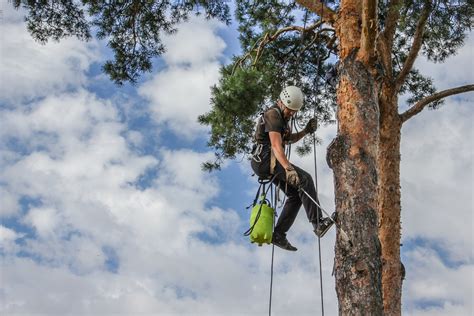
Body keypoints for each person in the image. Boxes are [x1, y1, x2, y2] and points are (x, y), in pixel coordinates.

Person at [251, 86, 334, 251]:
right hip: (266, 160)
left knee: (295, 195)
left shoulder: (282, 118)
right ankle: (318, 223)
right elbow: (276, 145)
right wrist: (288, 168)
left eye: (294, 111)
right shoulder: (273, 115)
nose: (292, 114)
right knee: (305, 179)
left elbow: (287, 140)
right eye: (290, 110)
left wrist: (305, 131)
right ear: (281, 103)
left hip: (266, 160)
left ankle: (279, 234)